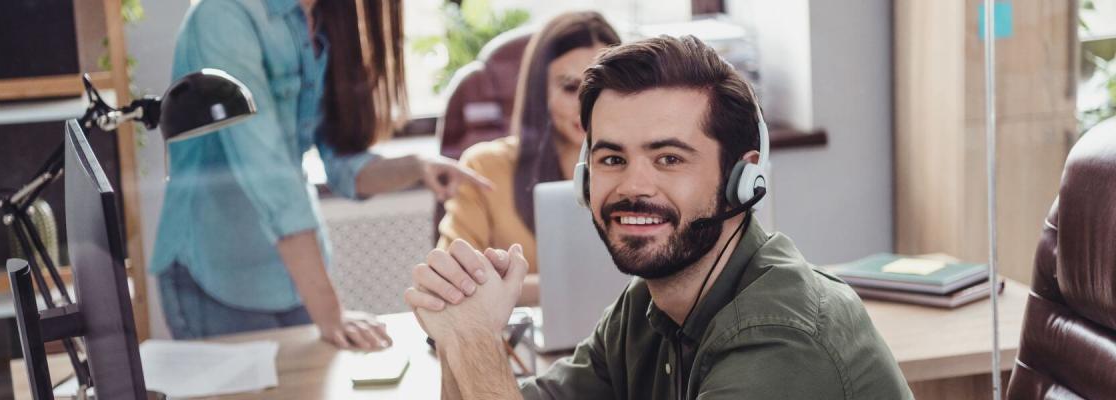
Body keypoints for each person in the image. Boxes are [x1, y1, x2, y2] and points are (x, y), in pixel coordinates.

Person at [404, 36, 913, 399]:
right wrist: (457, 334)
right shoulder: (645, 309)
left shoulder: (780, 341)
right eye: (611, 159)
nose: (633, 186)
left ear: (743, 178)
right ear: (585, 179)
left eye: (669, 158)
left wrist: (474, 339)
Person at [153, 0, 492, 349]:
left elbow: (342, 165)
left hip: (290, 277)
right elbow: (271, 176)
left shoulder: (324, 17)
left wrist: (416, 166)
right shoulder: (223, 15)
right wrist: (331, 312)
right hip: (217, 274)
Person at [437, 12, 620, 305]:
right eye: (571, 87)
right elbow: (452, 283)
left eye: (600, 88)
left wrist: (513, 288)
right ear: (540, 91)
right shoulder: (485, 167)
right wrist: (582, 288)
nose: (585, 105)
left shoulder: (637, 170)